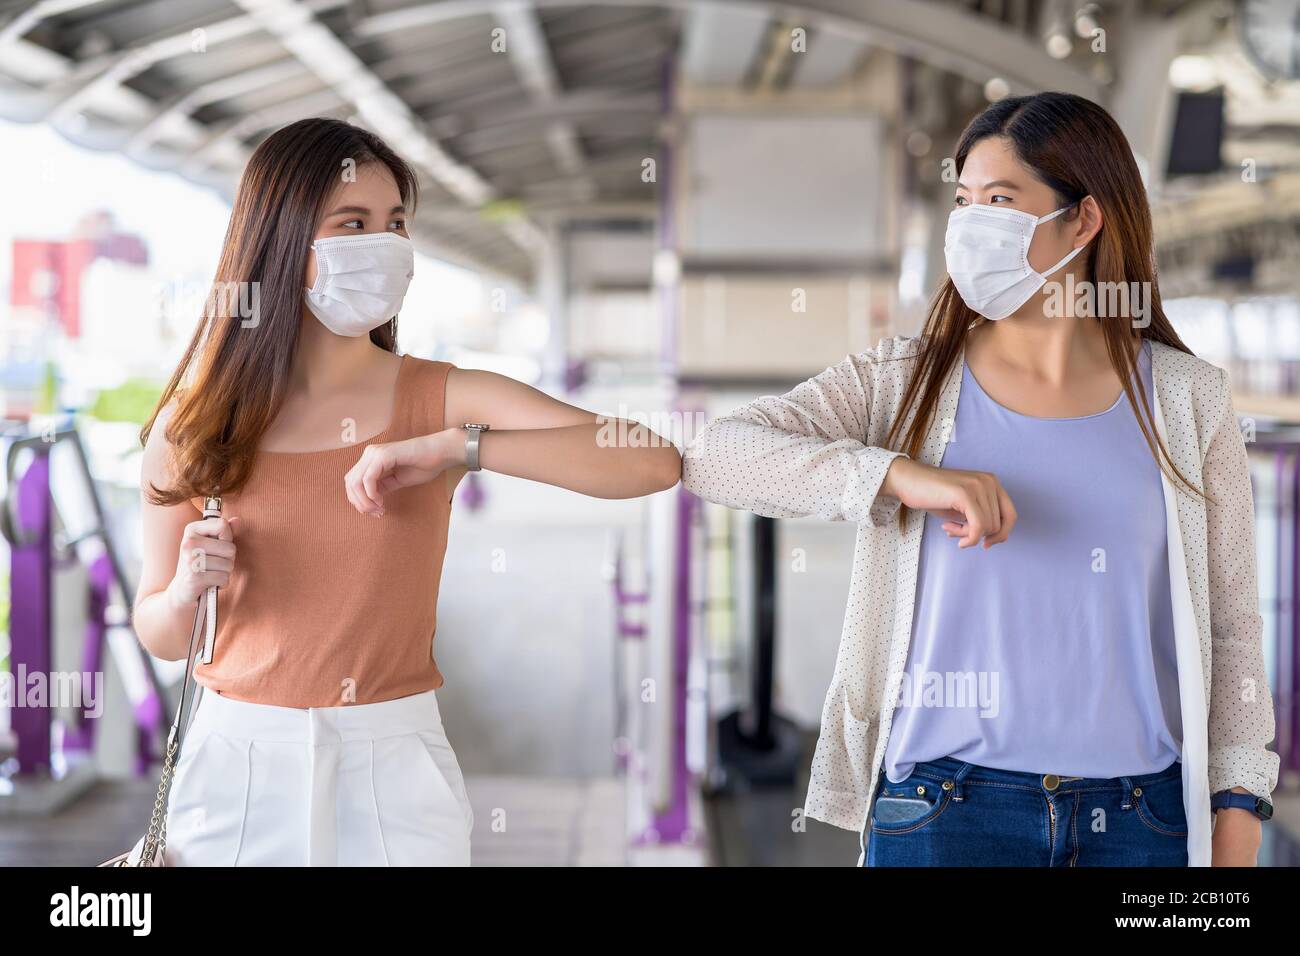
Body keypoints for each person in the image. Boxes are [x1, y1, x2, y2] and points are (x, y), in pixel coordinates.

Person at [681, 92, 1278, 867]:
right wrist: (903, 476)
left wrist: (1238, 806)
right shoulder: (903, 382)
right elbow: (713, 453)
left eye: (1000, 200)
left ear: (1085, 219)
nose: (969, 225)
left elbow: (1232, 626)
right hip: (944, 814)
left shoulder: (1189, 400)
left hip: (1143, 822)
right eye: (963, 201)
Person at [132, 117, 681, 866]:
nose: (385, 247)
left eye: (395, 225)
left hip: (393, 764)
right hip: (236, 767)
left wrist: (464, 447)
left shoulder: (442, 397)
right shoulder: (195, 427)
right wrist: (186, 591)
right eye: (352, 223)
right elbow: (159, 631)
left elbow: (650, 462)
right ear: (281, 241)